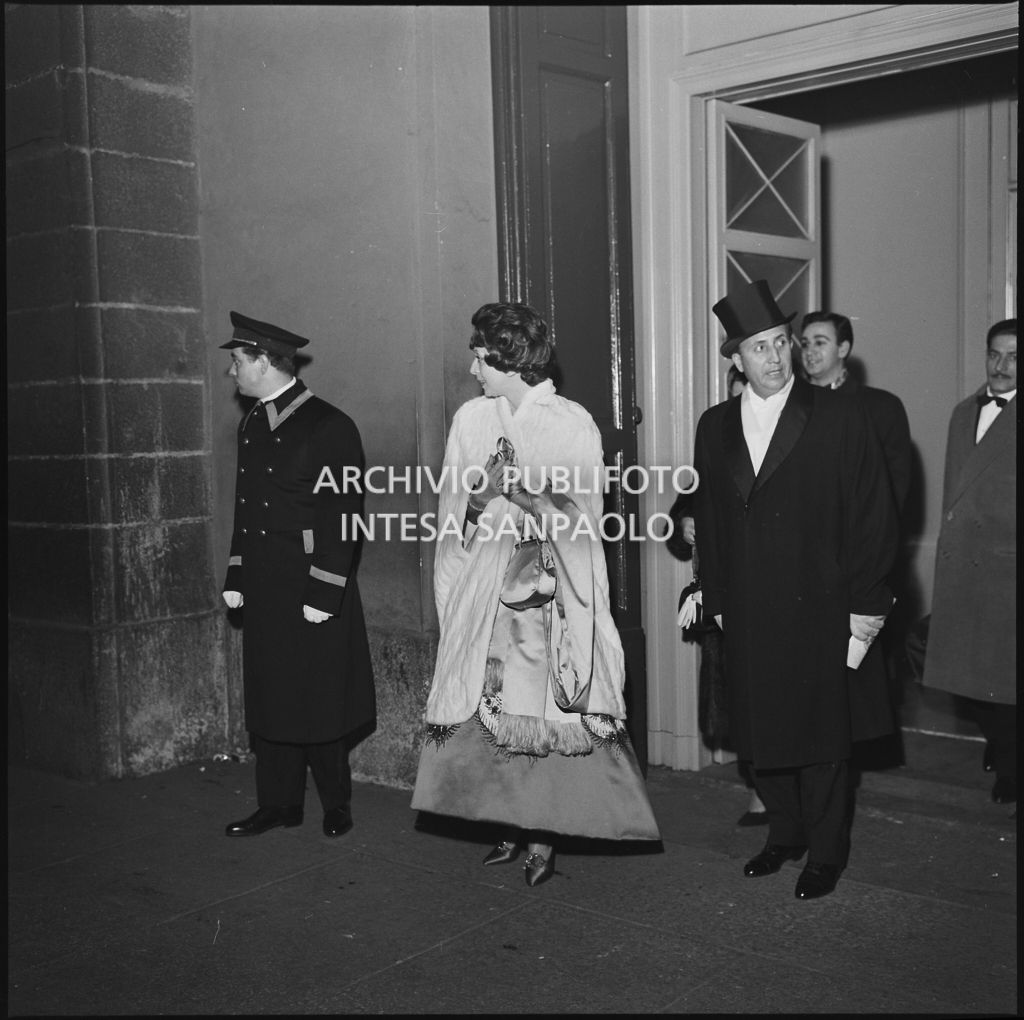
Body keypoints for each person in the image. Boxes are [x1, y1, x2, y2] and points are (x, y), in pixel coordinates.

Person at [411, 301, 660, 886]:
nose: (473, 369)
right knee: (488, 713)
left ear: (508, 358)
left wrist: (520, 496)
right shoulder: (472, 421)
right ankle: (507, 822)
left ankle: (544, 838)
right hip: (487, 597)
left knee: (546, 722)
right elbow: (454, 513)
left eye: (480, 358)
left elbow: (583, 522)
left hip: (547, 605)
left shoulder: (570, 423)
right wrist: (478, 499)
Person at [692, 279, 899, 900]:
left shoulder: (840, 414)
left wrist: (867, 606)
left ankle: (826, 853)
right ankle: (785, 834)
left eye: (781, 342)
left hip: (823, 603)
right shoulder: (715, 424)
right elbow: (710, 518)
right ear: (735, 358)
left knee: (821, 738)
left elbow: (873, 514)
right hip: (749, 607)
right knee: (761, 732)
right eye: (758, 348)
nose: (776, 357)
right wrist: (718, 600)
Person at [220, 311, 375, 839]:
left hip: (311, 586)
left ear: (264, 361)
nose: (232, 372)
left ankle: (336, 805)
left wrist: (325, 589)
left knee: (318, 696)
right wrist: (237, 573)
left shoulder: (329, 425)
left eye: (238, 361)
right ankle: (278, 804)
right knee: (271, 695)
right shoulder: (253, 423)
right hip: (265, 586)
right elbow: (248, 510)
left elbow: (343, 517)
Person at [799, 311, 913, 754]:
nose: (810, 352)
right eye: (804, 343)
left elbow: (894, 491)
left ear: (844, 349)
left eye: (821, 342)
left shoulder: (880, 406)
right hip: (805, 561)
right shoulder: (792, 405)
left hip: (860, 559)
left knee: (859, 675)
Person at [922, 319, 1016, 804]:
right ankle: (1004, 749)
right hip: (963, 568)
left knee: (1004, 683)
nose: (1000, 367)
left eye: (1013, 357)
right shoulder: (964, 412)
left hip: (1006, 571)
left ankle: (1010, 764)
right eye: (994, 354)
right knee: (958, 677)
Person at [668, 366, 767, 826]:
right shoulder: (717, 438)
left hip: (775, 592)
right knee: (736, 702)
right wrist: (685, 522)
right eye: (734, 394)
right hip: (724, 596)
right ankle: (759, 791)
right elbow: (685, 502)